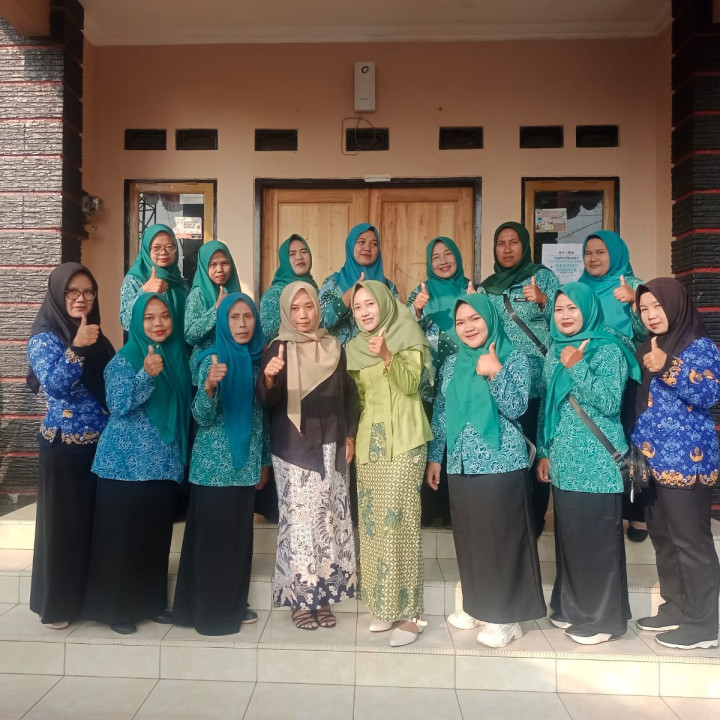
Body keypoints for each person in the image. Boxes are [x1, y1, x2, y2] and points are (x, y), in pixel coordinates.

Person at [427, 295, 546, 647]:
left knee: (501, 540)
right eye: (460, 322)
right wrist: (436, 457)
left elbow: (517, 407)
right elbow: (442, 412)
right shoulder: (452, 363)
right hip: (461, 463)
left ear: (490, 319)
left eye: (475, 318)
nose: (468, 327)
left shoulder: (514, 357)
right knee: (470, 538)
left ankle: (507, 618)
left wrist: (495, 372)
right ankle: (478, 606)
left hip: (500, 462)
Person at [536, 282, 640, 645]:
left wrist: (579, 367)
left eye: (572, 308)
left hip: (598, 464)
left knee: (597, 544)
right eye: (559, 309)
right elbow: (548, 406)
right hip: (565, 462)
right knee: (572, 541)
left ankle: (603, 620)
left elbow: (609, 402)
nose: (565, 316)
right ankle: (572, 607)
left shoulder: (607, 349)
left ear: (589, 310)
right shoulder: (553, 351)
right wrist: (544, 450)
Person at [83, 293, 191, 635]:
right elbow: (116, 404)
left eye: (164, 316)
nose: (158, 323)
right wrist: (145, 374)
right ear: (136, 323)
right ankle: (117, 609)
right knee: (122, 541)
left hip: (162, 465)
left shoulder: (177, 356)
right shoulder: (124, 359)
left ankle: (152, 603)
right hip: (124, 467)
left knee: (154, 538)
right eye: (149, 317)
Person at [257, 282, 359, 630]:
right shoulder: (278, 348)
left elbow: (350, 396)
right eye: (295, 308)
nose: (303, 315)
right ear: (286, 312)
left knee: (328, 522)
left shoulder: (334, 347)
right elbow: (267, 402)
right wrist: (269, 378)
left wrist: (350, 435)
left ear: (318, 308)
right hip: (294, 449)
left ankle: (324, 596)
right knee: (300, 527)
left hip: (332, 446)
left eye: (309, 307)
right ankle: (300, 600)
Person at [631, 278, 720, 650]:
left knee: (691, 541)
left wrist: (669, 366)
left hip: (688, 463)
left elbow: (710, 392)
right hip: (653, 462)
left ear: (676, 305)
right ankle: (676, 608)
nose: (651, 315)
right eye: (644, 308)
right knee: (664, 539)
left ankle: (703, 624)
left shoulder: (700, 346)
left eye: (658, 306)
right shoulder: (649, 346)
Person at [173, 293, 268, 635]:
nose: (242, 324)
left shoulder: (259, 362)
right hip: (212, 470)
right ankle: (207, 611)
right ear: (223, 322)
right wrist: (210, 386)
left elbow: (263, 419)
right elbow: (201, 416)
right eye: (234, 317)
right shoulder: (210, 359)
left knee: (237, 544)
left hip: (245, 466)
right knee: (210, 543)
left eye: (248, 317)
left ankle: (232, 604)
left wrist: (264, 462)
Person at [26, 263, 115, 629]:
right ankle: (58, 606)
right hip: (63, 449)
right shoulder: (44, 338)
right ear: (58, 294)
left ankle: (92, 602)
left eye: (88, 292)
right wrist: (76, 347)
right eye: (72, 292)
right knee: (64, 529)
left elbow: (112, 383)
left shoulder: (97, 336)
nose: (81, 298)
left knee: (95, 527)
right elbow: (56, 386)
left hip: (100, 448)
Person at [347, 280, 433, 647]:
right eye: (357, 307)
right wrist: (352, 437)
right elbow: (359, 399)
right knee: (372, 527)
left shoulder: (406, 332)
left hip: (406, 441)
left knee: (400, 524)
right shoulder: (353, 348)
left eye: (370, 303)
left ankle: (411, 614)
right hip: (371, 445)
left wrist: (386, 355)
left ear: (384, 303)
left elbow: (412, 384)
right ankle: (384, 605)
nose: (365, 312)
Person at [480, 221, 560, 536]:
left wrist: (544, 301)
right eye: (501, 243)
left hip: (539, 381)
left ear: (525, 246)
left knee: (537, 452)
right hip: (503, 382)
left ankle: (535, 522)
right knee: (509, 453)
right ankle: (511, 523)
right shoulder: (486, 288)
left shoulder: (543, 277)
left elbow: (568, 320)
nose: (507, 249)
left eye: (514, 242)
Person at [578, 230, 649, 542]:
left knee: (629, 440)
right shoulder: (580, 288)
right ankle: (608, 508)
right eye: (588, 252)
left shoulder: (633, 286)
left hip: (625, 377)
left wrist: (634, 301)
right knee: (598, 439)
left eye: (600, 252)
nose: (593, 258)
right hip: (588, 375)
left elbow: (646, 333)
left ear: (615, 253)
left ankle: (637, 514)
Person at [406, 236, 474, 526]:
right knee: (430, 440)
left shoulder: (472, 289)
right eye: (435, 257)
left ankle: (451, 512)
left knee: (457, 439)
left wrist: (476, 302)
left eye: (448, 254)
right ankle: (428, 509)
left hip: (464, 381)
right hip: (428, 382)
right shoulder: (421, 292)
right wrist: (416, 311)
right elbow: (403, 334)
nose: (443, 261)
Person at [319, 223, 399, 346]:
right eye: (361, 242)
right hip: (339, 356)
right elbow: (320, 323)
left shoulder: (389, 287)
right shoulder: (333, 283)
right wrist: (349, 296)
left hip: (378, 355)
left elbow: (399, 325)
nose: (367, 247)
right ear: (351, 246)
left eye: (374, 244)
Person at [184, 240, 242, 385]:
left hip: (233, 363)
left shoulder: (235, 292)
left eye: (225, 263)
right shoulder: (198, 295)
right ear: (204, 267)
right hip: (206, 369)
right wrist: (216, 309)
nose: (220, 269)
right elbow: (190, 336)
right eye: (212, 265)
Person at [120, 224, 188, 331]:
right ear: (147, 250)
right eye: (156, 248)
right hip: (147, 342)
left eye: (169, 247)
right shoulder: (134, 279)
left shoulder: (179, 282)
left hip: (179, 342)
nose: (163, 252)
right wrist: (145, 291)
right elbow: (125, 322)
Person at [260, 234, 317, 342]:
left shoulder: (315, 290)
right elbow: (269, 332)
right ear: (284, 259)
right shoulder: (274, 294)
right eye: (292, 254)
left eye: (304, 252)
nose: (299, 257)